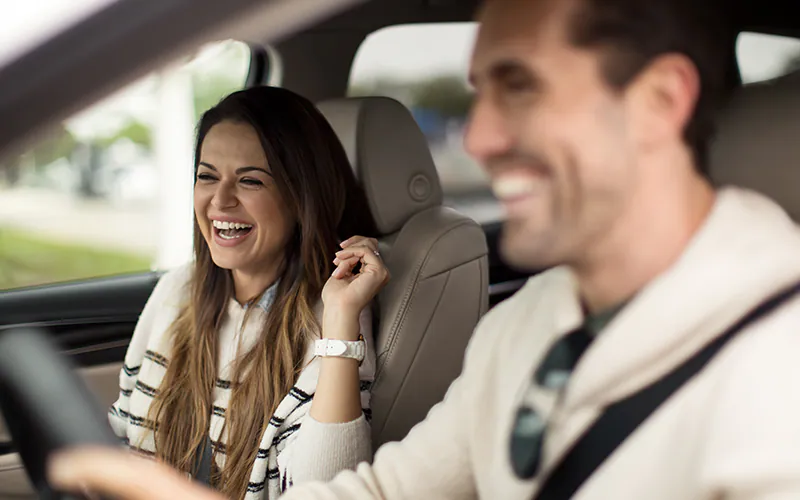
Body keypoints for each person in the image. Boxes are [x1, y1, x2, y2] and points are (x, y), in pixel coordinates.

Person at [48, 0, 800, 498]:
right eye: (480, 95)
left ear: (660, 103)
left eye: (522, 89)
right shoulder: (528, 325)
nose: (478, 139)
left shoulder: (777, 369)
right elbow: (378, 494)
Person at [101, 86, 389, 500]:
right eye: (207, 176)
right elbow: (123, 443)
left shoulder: (332, 318)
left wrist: (341, 319)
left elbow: (323, 491)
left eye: (250, 181)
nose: (220, 200)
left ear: (301, 196)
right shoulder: (176, 292)